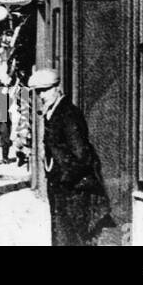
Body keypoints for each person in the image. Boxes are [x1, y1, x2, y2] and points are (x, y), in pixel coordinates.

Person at [28, 68, 112, 246]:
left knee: (74, 237)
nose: (41, 95)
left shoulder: (68, 114)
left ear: (57, 88)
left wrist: (65, 179)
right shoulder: (53, 112)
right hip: (61, 187)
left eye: (45, 90)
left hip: (73, 189)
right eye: (38, 91)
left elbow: (82, 155)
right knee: (62, 234)